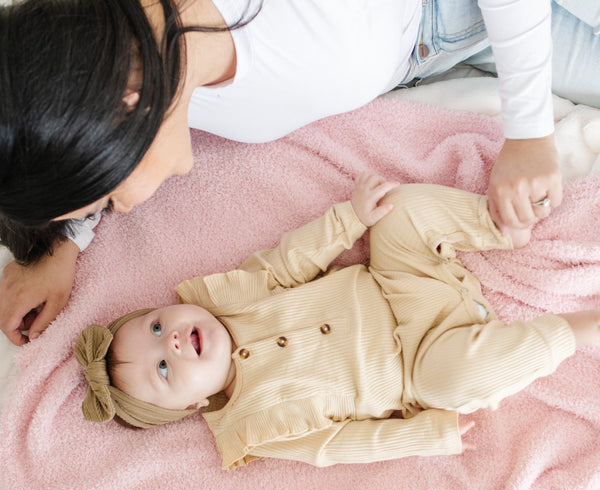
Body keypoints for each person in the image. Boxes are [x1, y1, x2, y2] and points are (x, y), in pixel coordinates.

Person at [2, 0, 600, 346]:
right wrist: (60, 245)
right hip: (427, 53)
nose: (123, 207)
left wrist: (527, 133)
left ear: (126, 103)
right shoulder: (138, 56)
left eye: (103, 195)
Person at [75, 173, 600, 470]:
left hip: (398, 281)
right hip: (421, 368)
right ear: (192, 406)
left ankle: (495, 226)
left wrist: (351, 217)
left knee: (399, 211)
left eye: (155, 328)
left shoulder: (232, 298)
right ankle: (577, 329)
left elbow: (291, 260)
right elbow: (340, 445)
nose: (172, 343)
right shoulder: (254, 426)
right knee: (459, 379)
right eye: (164, 369)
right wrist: (428, 435)